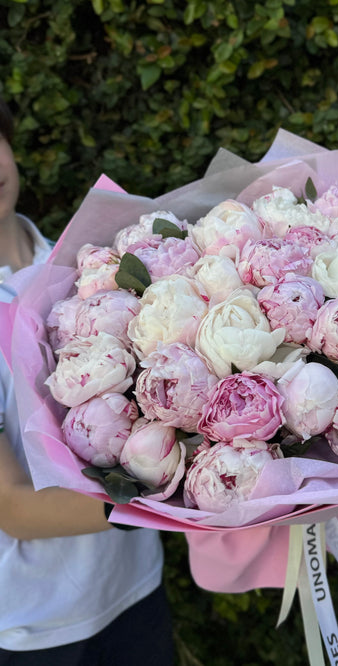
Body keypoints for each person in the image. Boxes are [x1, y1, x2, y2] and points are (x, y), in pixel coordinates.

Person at [0, 97, 175, 665]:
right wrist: (171, 496)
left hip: (135, 589)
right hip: (37, 625)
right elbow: (13, 508)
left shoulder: (82, 264)